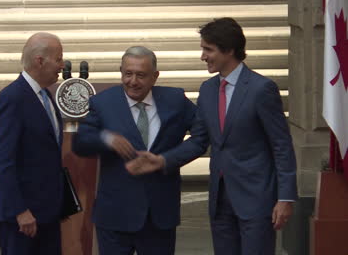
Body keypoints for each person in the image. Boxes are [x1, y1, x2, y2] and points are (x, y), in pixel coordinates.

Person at [126, 18, 298, 255]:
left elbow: (282, 146)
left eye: (208, 49)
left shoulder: (261, 89)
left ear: (228, 50)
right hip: (220, 201)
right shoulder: (207, 90)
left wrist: (285, 198)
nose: (203, 56)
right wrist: (163, 160)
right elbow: (199, 141)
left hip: (256, 199)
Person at [72, 46, 197, 255]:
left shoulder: (175, 100)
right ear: (121, 71)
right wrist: (107, 138)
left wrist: (167, 159)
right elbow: (81, 142)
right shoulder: (103, 103)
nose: (133, 81)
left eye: (141, 75)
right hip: (115, 216)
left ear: (155, 76)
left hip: (159, 216)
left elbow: (203, 134)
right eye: (128, 74)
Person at [0, 32, 65, 255]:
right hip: (21, 218)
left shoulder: (46, 96)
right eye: (58, 59)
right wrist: (20, 210)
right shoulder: (12, 98)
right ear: (40, 61)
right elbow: (3, 160)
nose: (62, 65)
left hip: (47, 213)